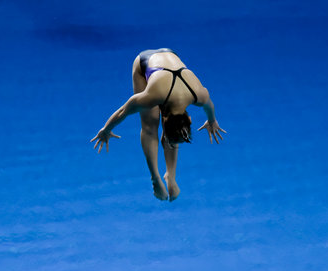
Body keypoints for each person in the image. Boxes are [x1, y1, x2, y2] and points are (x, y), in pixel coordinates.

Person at [91, 48, 226, 201]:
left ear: (190, 120)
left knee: (176, 132)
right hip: (145, 63)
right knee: (149, 125)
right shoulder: (151, 96)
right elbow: (123, 110)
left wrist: (212, 120)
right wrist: (106, 129)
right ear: (189, 120)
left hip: (171, 57)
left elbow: (209, 105)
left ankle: (171, 175)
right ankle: (155, 177)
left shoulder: (199, 94)